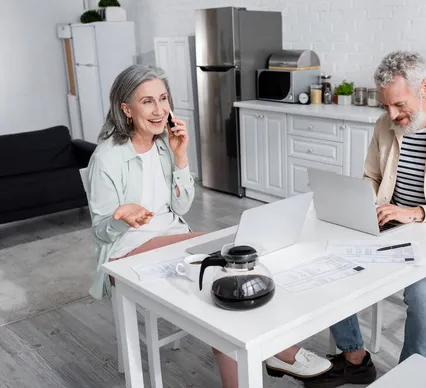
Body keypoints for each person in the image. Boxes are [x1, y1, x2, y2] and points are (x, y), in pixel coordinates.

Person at [86, 65, 332, 388]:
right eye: (147, 102)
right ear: (126, 108)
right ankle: (280, 350)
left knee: (234, 264)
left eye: (163, 98)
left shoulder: (163, 146)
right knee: (219, 269)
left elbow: (182, 206)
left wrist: (181, 157)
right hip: (126, 251)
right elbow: (100, 232)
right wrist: (121, 217)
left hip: (171, 238)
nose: (160, 110)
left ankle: (265, 354)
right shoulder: (107, 157)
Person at [307, 51, 426, 388]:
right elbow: (371, 179)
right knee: (328, 257)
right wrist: (357, 204)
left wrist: (417, 213)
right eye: (385, 106)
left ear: (424, 88)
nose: (392, 115)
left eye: (399, 106)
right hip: (390, 226)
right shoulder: (385, 125)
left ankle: (413, 378)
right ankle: (355, 357)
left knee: (421, 292)